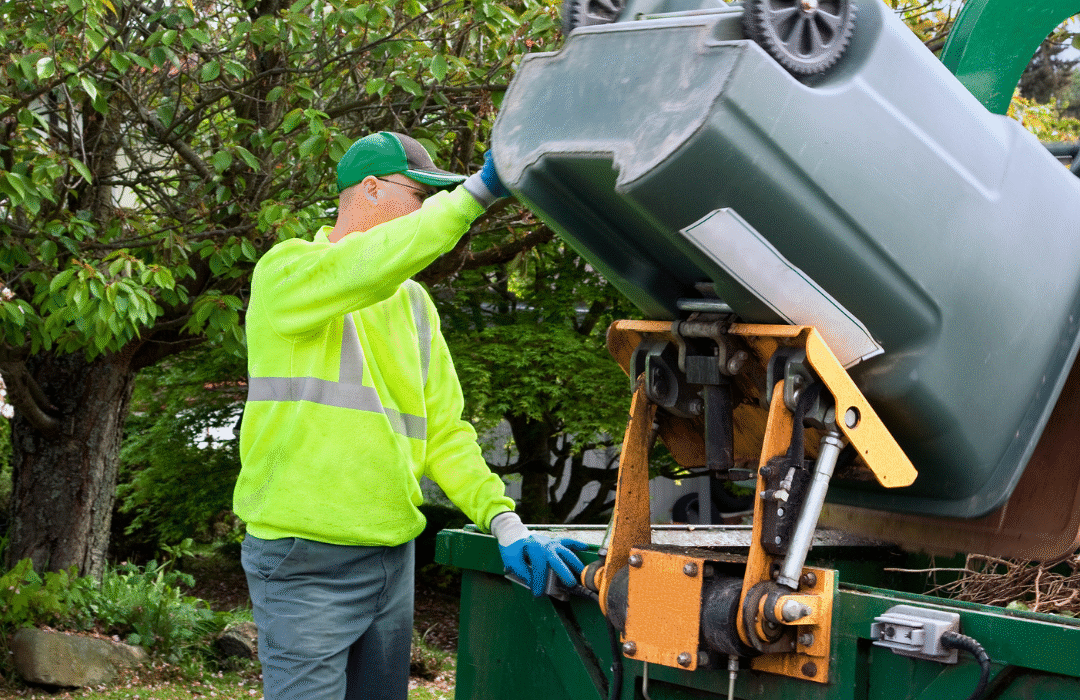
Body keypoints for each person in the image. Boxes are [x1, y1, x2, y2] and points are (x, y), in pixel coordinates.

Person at [233, 131, 588, 700]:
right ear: (371, 190)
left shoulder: (415, 306)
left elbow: (446, 434)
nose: (426, 210)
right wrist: (476, 194)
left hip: (391, 559)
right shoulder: (287, 273)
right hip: (303, 561)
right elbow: (367, 263)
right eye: (419, 194)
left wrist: (503, 520)